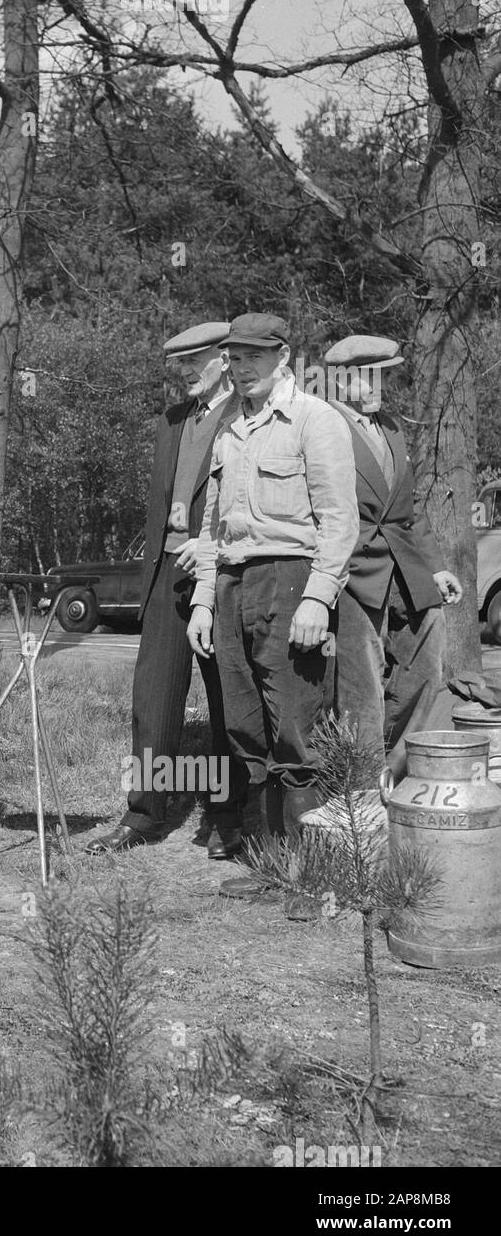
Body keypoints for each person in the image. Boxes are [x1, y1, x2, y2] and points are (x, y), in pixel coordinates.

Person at [187, 314, 358, 911]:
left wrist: (318, 596)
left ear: (284, 356)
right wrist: (205, 600)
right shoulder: (229, 426)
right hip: (234, 584)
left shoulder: (316, 420)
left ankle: (312, 877)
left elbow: (340, 520)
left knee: (296, 729)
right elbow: (211, 526)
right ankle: (268, 867)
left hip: (290, 582)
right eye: (234, 357)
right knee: (244, 727)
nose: (243, 368)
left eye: (255, 356)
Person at [85, 321, 248, 859]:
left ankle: (228, 817)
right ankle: (143, 814)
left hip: (220, 577)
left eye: (193, 362)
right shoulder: (172, 421)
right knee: (152, 701)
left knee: (227, 705)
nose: (184, 373)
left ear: (225, 358)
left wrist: (213, 552)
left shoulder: (246, 414)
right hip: (165, 580)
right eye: (178, 364)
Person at [323, 335, 462, 756]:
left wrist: (435, 566)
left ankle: (398, 766)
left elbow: (409, 507)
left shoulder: (391, 426)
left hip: (405, 564)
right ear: (339, 380)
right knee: (361, 680)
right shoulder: (323, 425)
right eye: (366, 380)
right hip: (353, 568)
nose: (376, 390)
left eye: (381, 379)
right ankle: (360, 787)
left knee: (427, 655)